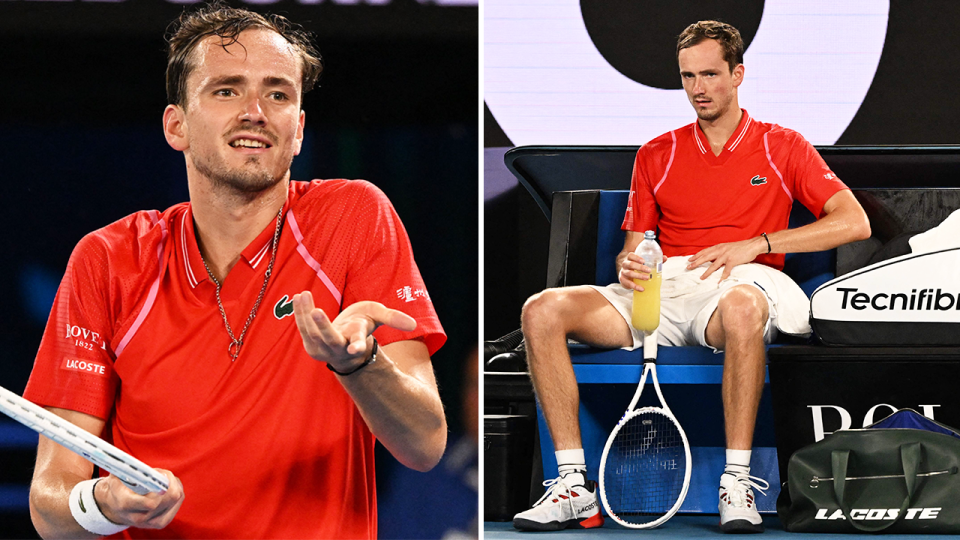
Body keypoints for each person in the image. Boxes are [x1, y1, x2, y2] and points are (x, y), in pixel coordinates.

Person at [24, 3, 447, 538]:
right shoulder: (108, 258)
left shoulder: (354, 217)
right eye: (227, 90)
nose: (256, 111)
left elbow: (425, 444)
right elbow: (50, 503)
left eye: (278, 93)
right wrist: (101, 502)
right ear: (176, 125)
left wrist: (359, 365)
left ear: (297, 129)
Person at [513, 20, 871, 534]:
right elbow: (632, 250)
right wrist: (629, 265)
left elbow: (852, 220)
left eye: (709, 74)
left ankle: (737, 483)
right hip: (665, 291)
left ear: (738, 74)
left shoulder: (782, 145)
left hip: (737, 288)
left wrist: (760, 242)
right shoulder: (656, 153)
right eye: (687, 77)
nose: (698, 89)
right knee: (541, 308)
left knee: (744, 306)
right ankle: (572, 486)